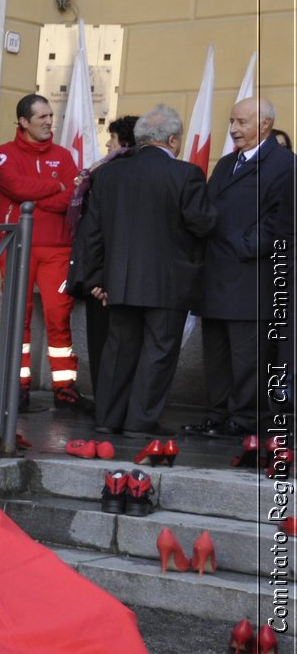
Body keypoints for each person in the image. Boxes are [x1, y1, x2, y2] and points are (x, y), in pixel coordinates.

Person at [70, 105, 215, 437]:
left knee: (117, 351)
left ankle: (107, 419)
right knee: (158, 353)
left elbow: (91, 233)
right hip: (168, 284)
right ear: (173, 140)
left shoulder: (108, 174)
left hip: (117, 283)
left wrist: (95, 279)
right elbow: (203, 223)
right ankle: (140, 423)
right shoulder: (186, 174)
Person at [185, 97, 296, 438]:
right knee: (216, 355)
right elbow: (210, 206)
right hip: (216, 275)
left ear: (264, 124)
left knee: (248, 358)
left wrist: (241, 244)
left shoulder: (285, 165)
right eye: (232, 121)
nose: (233, 129)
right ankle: (217, 415)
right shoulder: (227, 163)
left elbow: (280, 222)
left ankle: (247, 418)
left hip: (252, 277)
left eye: (241, 122)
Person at [0, 93, 87, 411]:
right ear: (23, 122)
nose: (49, 121)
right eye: (42, 117)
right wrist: (53, 186)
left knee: (59, 316)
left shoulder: (63, 155)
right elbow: (15, 187)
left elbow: (72, 197)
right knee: (18, 317)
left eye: (50, 116)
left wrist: (37, 197)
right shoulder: (4, 154)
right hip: (17, 244)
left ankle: (64, 387)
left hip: (58, 247)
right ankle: (18, 386)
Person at [67, 114, 139, 391]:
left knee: (103, 345)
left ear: (125, 141)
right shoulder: (110, 172)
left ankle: (105, 403)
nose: (108, 144)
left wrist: (98, 280)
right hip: (125, 278)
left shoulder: (105, 174)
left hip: (104, 276)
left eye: (112, 137)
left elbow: (97, 232)